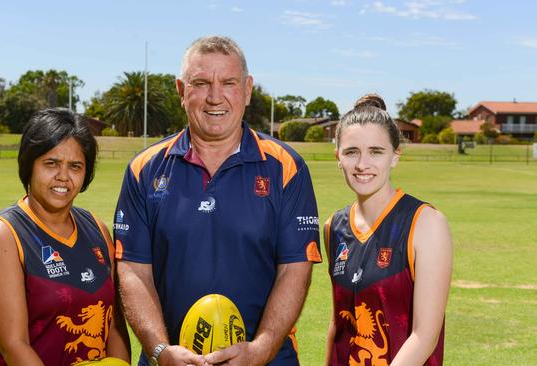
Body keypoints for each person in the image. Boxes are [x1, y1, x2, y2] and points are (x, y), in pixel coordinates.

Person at [114, 35, 322, 366]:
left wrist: (260, 350)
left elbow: (294, 269)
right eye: (200, 83)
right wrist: (159, 351)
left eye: (228, 82)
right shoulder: (144, 168)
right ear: (182, 91)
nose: (215, 97)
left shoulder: (286, 166)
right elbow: (134, 271)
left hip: (269, 359)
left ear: (248, 89)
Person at [0, 109, 131, 366]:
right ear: (29, 164)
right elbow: (14, 345)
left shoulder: (97, 228)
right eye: (51, 163)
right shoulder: (2, 234)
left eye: (75, 166)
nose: (63, 177)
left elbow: (113, 325)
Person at [323, 94, 452, 365]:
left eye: (376, 151)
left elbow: (425, 335)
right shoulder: (334, 227)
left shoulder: (426, 223)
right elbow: (338, 323)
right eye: (351, 152)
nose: (362, 164)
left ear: (395, 156)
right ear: (338, 157)